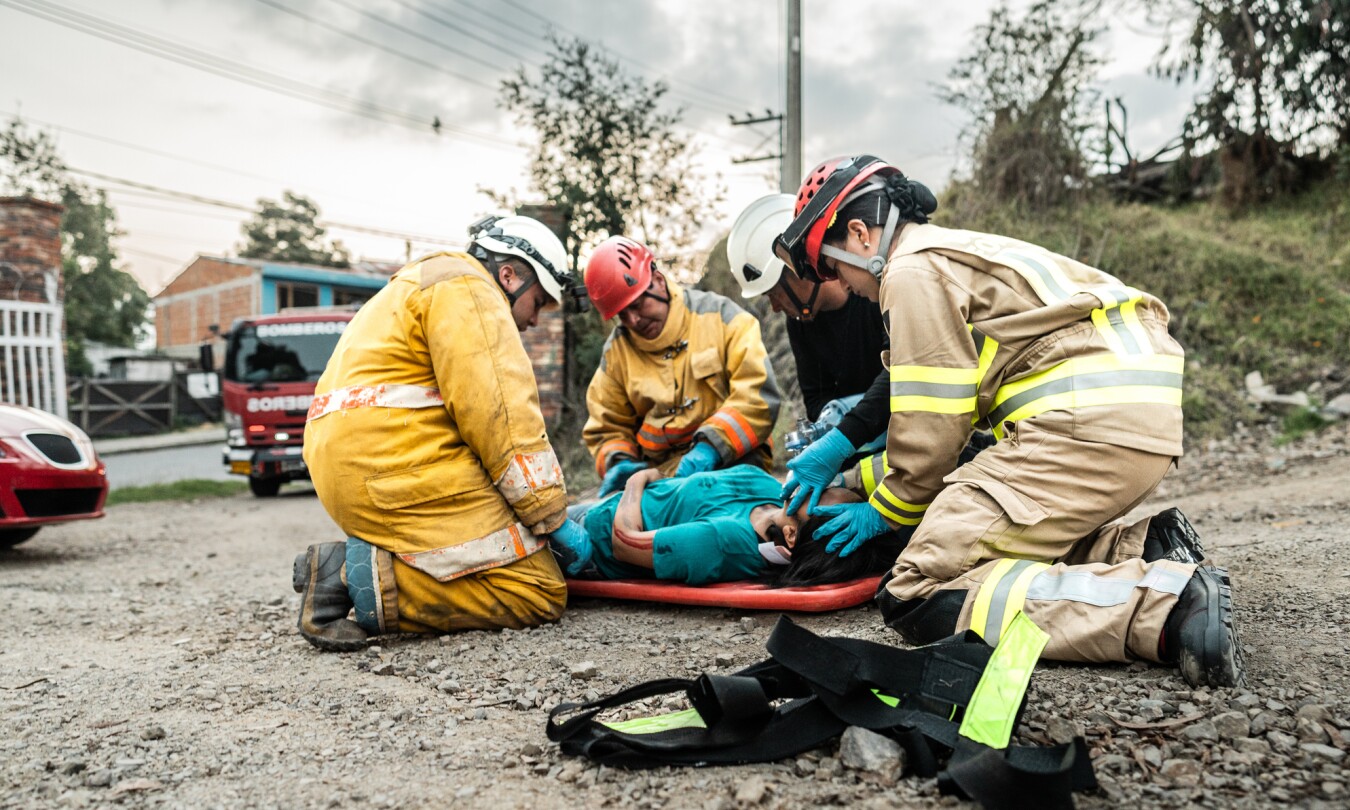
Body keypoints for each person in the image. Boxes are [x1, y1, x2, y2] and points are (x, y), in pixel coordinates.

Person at [771, 155, 1244, 687]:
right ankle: (1147, 550)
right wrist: (845, 457)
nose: (841, 284)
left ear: (859, 233)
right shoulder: (956, 253)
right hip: (1131, 420)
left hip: (1081, 425)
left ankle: (1167, 608)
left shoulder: (909, 271)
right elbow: (944, 408)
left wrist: (883, 510)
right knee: (990, 542)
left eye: (832, 268)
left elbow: (934, 427)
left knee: (918, 588)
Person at [292, 214, 589, 652]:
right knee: (536, 587)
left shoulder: (420, 282)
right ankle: (344, 577)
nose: (536, 319)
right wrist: (551, 516)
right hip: (393, 464)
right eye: (540, 301)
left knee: (500, 551)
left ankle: (354, 570)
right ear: (508, 275)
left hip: (358, 464)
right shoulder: (471, 291)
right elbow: (501, 419)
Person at [726, 194, 995, 524]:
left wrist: (842, 437)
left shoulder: (880, 291)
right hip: (866, 453)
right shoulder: (801, 324)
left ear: (796, 271)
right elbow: (816, 401)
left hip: (928, 443)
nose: (775, 307)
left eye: (773, 294)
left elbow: (902, 375)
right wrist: (832, 445)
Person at [582, 235, 782, 496]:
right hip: (659, 480)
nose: (633, 320)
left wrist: (711, 447)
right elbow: (607, 426)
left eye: (638, 304)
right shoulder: (617, 354)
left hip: (734, 462)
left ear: (658, 281)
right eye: (622, 314)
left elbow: (758, 397)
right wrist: (620, 461)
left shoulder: (724, 318)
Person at [549, 465, 903, 587]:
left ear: (792, 535)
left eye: (823, 493)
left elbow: (625, 542)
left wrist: (637, 480)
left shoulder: (722, 543)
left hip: (587, 541)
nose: (821, 484)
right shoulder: (772, 490)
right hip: (604, 506)